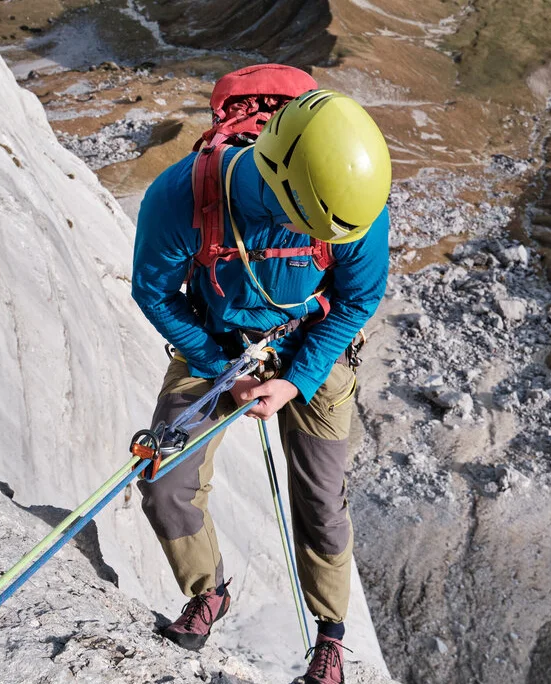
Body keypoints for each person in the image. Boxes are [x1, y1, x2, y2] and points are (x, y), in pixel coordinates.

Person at [130, 85, 391, 684]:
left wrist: (296, 381)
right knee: (166, 480)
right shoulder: (182, 198)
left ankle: (330, 638)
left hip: (313, 350)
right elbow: (154, 293)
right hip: (218, 344)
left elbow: (357, 300)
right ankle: (208, 592)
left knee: (322, 499)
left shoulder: (353, 204)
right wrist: (219, 361)